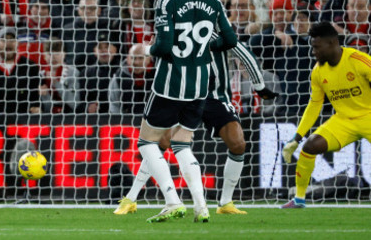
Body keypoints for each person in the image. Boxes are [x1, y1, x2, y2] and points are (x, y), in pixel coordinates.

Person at [115, 35, 277, 215]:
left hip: (216, 97)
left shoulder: (219, 31)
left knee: (238, 143)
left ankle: (225, 203)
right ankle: (131, 198)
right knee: (163, 141)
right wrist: (154, 47)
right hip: (187, 93)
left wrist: (258, 85)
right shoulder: (182, 27)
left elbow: (243, 52)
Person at [137, 0, 238, 223]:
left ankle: (172, 200)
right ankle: (202, 206)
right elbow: (230, 41)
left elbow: (165, 45)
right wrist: (206, 46)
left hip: (169, 84)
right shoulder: (214, 2)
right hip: (199, 86)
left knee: (147, 142)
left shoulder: (167, 2)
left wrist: (147, 50)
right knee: (182, 144)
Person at [281, 21, 371, 208]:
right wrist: (296, 138)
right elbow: (314, 106)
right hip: (344, 120)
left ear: (332, 43)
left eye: (317, 47)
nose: (314, 51)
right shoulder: (318, 72)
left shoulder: (358, 60)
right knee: (310, 146)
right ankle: (299, 199)